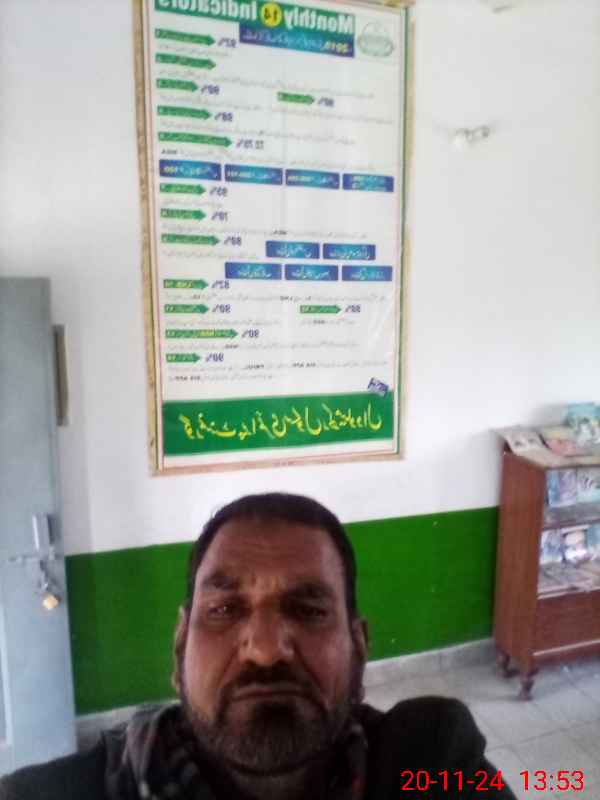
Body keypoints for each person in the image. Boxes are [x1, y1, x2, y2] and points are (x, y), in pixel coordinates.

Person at [0, 492, 515, 800]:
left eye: (309, 610)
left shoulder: (434, 766)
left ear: (359, 650)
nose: (265, 650)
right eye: (224, 610)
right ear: (179, 649)